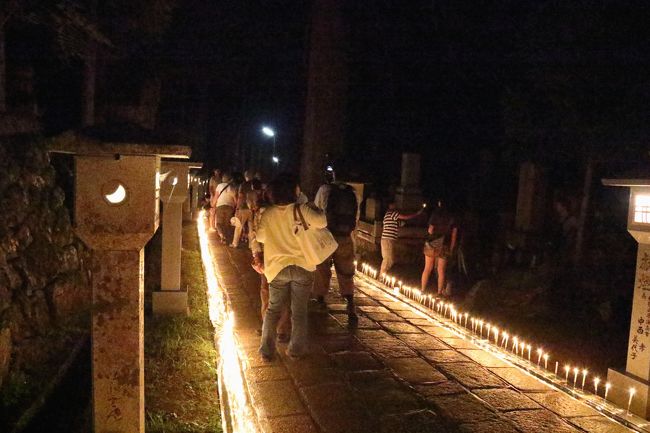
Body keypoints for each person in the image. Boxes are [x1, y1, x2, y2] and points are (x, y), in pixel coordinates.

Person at [257, 174, 327, 361]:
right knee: (299, 311)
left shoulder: (268, 214)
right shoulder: (302, 209)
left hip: (277, 268)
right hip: (303, 266)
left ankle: (266, 350)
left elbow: (261, 237)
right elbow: (323, 222)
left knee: (273, 309)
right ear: (292, 191)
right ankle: (295, 349)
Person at [312, 175, 359, 323]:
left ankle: (320, 299)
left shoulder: (324, 189)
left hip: (326, 236)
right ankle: (350, 304)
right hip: (344, 235)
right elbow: (356, 217)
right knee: (346, 271)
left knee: (322, 269)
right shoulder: (353, 193)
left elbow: (316, 212)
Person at [249, 180, 290, 342]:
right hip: (285, 256)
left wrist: (257, 255)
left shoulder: (262, 212)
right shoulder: (289, 211)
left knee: (267, 291)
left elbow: (255, 235)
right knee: (282, 292)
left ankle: (271, 326)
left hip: (269, 255)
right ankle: (280, 329)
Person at [421, 200, 458, 296]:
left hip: (432, 244)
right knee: (441, 270)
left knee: (427, 268)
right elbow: (454, 234)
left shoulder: (435, 214)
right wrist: (451, 248)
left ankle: (423, 290)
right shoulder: (452, 217)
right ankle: (439, 293)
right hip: (445, 245)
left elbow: (430, 230)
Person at [380, 202, 424, 275]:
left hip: (388, 239)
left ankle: (383, 275)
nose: (396, 206)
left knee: (390, 259)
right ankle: (382, 276)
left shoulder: (389, 216)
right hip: (388, 239)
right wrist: (416, 214)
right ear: (391, 205)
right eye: (394, 204)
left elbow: (400, 223)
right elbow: (405, 217)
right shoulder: (392, 213)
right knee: (388, 259)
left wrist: (405, 223)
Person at [231, 170, 255, 248]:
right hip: (251, 209)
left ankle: (235, 243)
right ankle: (251, 245)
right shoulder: (254, 185)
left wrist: (237, 208)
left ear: (246, 176)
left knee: (238, 226)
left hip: (243, 208)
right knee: (251, 228)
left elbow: (240, 197)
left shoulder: (243, 185)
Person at [215, 172, 237, 245]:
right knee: (227, 223)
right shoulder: (232, 187)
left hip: (220, 206)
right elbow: (235, 199)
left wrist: (213, 204)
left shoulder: (219, 186)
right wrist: (236, 207)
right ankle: (226, 237)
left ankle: (222, 235)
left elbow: (216, 196)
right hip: (230, 207)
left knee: (219, 223)